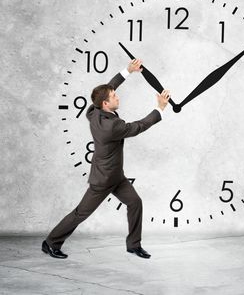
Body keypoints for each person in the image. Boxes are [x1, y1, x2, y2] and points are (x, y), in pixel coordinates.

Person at [42, 58, 170, 259]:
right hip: (102, 181)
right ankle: (50, 243)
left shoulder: (93, 111)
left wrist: (127, 71)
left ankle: (133, 245)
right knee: (80, 214)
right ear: (106, 103)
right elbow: (138, 127)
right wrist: (160, 108)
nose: (117, 97)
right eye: (114, 96)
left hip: (116, 177)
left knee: (135, 202)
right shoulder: (112, 127)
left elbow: (108, 87)